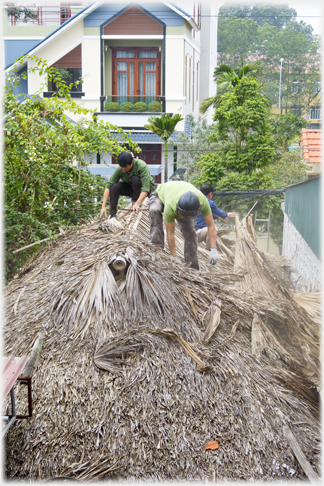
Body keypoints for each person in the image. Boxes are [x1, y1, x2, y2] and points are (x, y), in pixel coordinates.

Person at [148, 181, 218, 270]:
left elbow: (211, 226)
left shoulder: (203, 202)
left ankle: (192, 267)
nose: (185, 217)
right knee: (154, 210)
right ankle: (157, 249)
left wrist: (213, 249)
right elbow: (170, 234)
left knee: (191, 232)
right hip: (161, 194)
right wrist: (174, 256)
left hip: (182, 198)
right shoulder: (170, 206)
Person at [100, 152, 155, 218]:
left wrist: (137, 203)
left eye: (125, 167)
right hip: (131, 189)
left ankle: (134, 201)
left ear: (131, 162)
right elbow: (108, 186)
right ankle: (112, 215)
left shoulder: (141, 166)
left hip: (144, 190)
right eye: (122, 167)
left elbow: (145, 189)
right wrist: (103, 206)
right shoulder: (120, 169)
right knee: (114, 187)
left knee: (135, 179)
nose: (123, 169)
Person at [196, 183, 237, 250]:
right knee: (212, 229)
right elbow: (219, 212)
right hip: (196, 234)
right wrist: (227, 215)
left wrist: (218, 217)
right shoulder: (209, 202)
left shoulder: (195, 200)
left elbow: (204, 213)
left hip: (189, 232)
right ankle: (208, 250)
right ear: (210, 194)